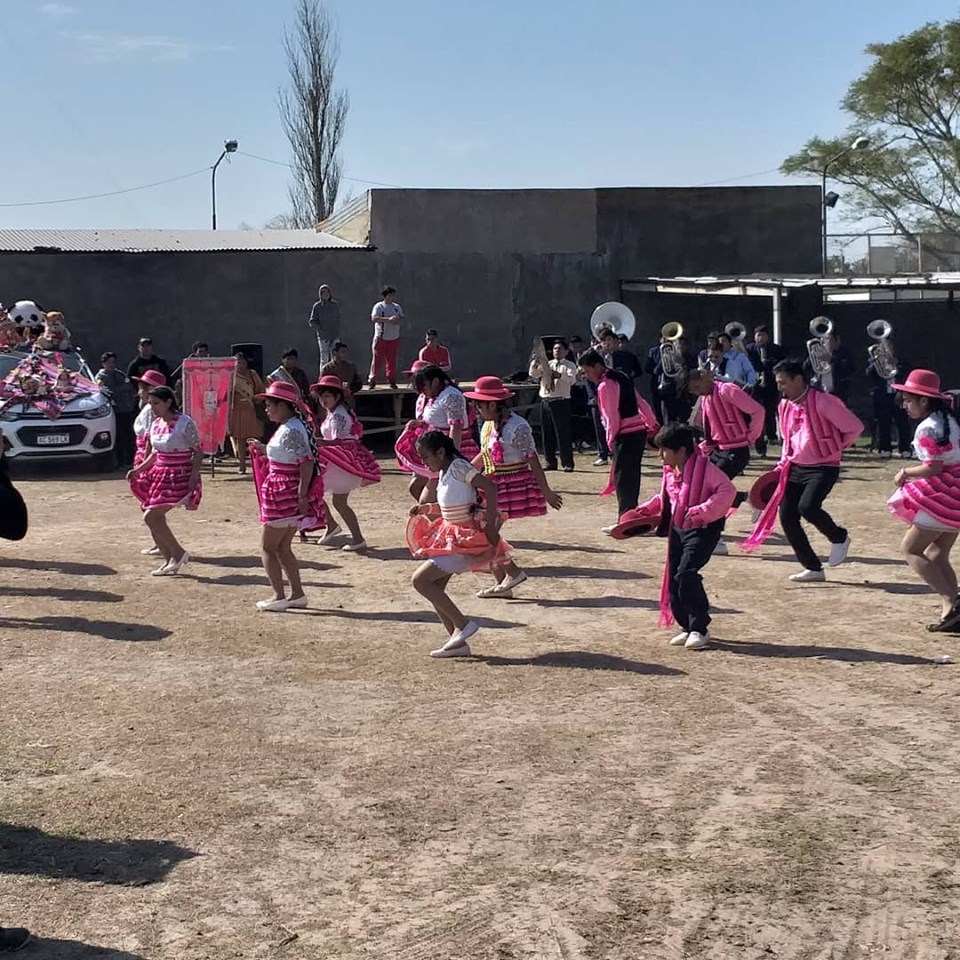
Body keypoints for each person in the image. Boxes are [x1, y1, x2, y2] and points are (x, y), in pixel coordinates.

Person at [741, 359, 863, 582]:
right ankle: (813, 568)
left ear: (799, 379)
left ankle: (839, 537)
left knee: (808, 507)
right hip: (795, 466)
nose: (780, 387)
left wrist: (835, 446)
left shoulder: (825, 402)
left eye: (784, 382)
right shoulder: (784, 405)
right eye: (778, 383)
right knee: (787, 516)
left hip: (824, 467)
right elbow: (787, 439)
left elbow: (854, 428)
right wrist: (781, 465)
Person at [632, 422, 736, 650]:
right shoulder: (670, 471)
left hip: (702, 530)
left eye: (664, 449)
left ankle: (700, 627)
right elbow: (665, 498)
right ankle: (687, 627)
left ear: (681, 450)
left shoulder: (706, 469)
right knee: (673, 579)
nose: (659, 455)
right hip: (678, 530)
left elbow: (727, 490)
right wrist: (643, 510)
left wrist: (703, 511)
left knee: (686, 574)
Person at [408, 430, 509, 658]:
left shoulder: (458, 467)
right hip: (452, 537)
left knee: (420, 581)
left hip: (466, 540)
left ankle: (462, 625)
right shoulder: (445, 471)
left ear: (441, 452)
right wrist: (427, 509)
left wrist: (491, 524)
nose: (424, 462)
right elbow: (452, 507)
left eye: (426, 457)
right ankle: (457, 642)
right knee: (436, 587)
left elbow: (490, 488)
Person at [464, 376, 563, 598]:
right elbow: (485, 454)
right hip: (493, 482)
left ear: (492, 404)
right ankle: (503, 583)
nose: (477, 409)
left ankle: (511, 574)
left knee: (488, 533)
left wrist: (546, 491)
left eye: (479, 404)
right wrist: (465, 473)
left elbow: (533, 459)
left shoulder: (518, 427)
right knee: (487, 533)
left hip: (510, 485)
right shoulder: (489, 425)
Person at [886, 370, 960, 632]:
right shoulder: (949, 419)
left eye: (908, 400)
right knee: (937, 553)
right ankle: (953, 610)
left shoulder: (928, 427)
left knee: (911, 549)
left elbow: (933, 467)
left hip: (945, 494)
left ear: (924, 401)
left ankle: (951, 600)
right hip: (956, 493)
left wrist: (905, 473)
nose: (905, 405)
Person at [247, 381, 326, 611]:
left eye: (269, 404)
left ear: (283, 405)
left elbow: (306, 463)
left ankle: (278, 595)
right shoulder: (292, 427)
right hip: (285, 491)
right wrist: (263, 449)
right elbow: (292, 457)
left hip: (283, 492)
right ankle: (297, 593)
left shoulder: (292, 430)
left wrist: (302, 496)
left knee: (268, 548)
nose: (266, 409)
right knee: (282, 547)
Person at [686, 367, 765, 554]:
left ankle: (716, 537)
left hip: (735, 450)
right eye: (693, 390)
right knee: (703, 487)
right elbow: (712, 429)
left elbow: (757, 411)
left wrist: (751, 436)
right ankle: (748, 499)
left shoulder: (727, 390)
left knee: (712, 491)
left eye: (698, 387)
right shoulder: (706, 399)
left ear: (706, 377)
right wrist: (705, 447)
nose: (698, 392)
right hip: (719, 450)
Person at [126, 386, 202, 576]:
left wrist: (194, 475)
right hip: (160, 475)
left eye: (156, 403)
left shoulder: (185, 422)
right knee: (152, 516)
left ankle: (177, 553)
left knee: (151, 516)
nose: (152, 408)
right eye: (150, 403)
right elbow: (154, 453)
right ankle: (170, 558)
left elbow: (198, 450)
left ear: (168, 402)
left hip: (179, 475)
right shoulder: (156, 423)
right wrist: (138, 470)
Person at [577, 349, 659, 525]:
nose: (587, 375)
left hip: (625, 433)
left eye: (587, 370)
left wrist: (610, 438)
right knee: (632, 476)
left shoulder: (605, 385)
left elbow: (611, 416)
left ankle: (625, 517)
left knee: (623, 478)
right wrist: (652, 423)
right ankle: (631, 514)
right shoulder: (622, 376)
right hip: (638, 431)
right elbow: (640, 402)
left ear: (597, 366)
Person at [311, 374, 382, 551]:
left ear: (337, 397)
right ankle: (335, 527)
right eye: (322, 396)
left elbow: (339, 440)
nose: (323, 400)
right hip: (337, 460)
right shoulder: (335, 413)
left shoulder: (339, 416)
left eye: (327, 396)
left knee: (318, 492)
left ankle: (354, 536)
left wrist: (319, 442)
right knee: (324, 496)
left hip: (341, 462)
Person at [395, 365, 479, 502]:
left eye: (424, 385)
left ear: (434, 382)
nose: (422, 390)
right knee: (416, 488)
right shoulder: (436, 395)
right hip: (437, 450)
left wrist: (452, 458)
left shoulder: (451, 396)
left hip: (449, 451)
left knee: (428, 500)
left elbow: (456, 427)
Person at [129, 369, 167, 555]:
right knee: (147, 502)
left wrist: (144, 464)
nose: (139, 392)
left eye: (142, 388)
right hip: (142, 453)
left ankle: (161, 542)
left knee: (150, 503)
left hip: (147, 455)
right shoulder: (146, 409)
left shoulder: (153, 412)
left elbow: (151, 438)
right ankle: (158, 541)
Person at [529, 338, 577, 472]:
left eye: (560, 349)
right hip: (546, 401)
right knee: (547, 433)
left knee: (563, 434)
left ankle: (567, 462)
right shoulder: (547, 364)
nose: (557, 351)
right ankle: (550, 461)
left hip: (560, 401)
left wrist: (558, 375)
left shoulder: (569, 365)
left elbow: (571, 380)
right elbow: (533, 374)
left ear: (566, 351)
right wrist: (535, 362)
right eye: (555, 349)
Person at [867, 340, 913, 459]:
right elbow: (868, 374)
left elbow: (908, 373)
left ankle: (905, 449)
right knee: (883, 423)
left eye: (888, 347)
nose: (886, 350)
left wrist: (896, 365)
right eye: (883, 347)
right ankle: (885, 448)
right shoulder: (874, 361)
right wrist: (876, 362)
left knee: (902, 423)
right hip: (882, 396)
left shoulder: (900, 360)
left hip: (898, 395)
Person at [746, 325, 785, 456]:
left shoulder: (776, 349)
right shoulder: (749, 349)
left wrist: (766, 363)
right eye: (758, 335)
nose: (760, 338)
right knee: (756, 415)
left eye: (763, 335)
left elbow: (780, 364)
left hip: (771, 385)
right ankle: (759, 443)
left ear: (767, 336)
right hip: (754, 387)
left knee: (770, 411)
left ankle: (772, 436)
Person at [95, 351, 138, 468]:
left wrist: (120, 391)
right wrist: (120, 389)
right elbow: (107, 391)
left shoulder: (120, 374)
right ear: (103, 364)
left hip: (126, 409)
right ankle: (119, 462)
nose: (112, 365)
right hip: (114, 411)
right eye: (109, 362)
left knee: (128, 436)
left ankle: (130, 460)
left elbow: (129, 388)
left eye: (113, 362)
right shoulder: (100, 377)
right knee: (117, 437)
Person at [646, 334, 696, 425]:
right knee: (668, 421)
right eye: (676, 343)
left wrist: (683, 362)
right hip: (669, 392)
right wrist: (665, 358)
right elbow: (656, 371)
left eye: (682, 344)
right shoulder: (667, 356)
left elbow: (693, 371)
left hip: (685, 392)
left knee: (684, 420)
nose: (679, 346)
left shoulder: (690, 357)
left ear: (686, 346)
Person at [229, 352, 265, 474]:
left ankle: (258, 465)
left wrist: (256, 398)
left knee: (254, 438)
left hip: (251, 409)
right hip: (237, 410)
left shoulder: (252, 374)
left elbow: (261, 390)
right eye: (238, 362)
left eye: (243, 362)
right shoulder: (231, 376)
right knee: (240, 438)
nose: (240, 365)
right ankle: (242, 465)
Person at [807, 326, 855, 404]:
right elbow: (805, 368)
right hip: (818, 392)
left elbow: (850, 369)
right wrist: (811, 357)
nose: (824, 341)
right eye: (822, 338)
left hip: (838, 393)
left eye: (828, 338)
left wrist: (831, 360)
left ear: (836, 341)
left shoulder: (843, 353)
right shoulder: (817, 353)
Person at [368, 285, 402, 389]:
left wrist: (397, 319)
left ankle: (391, 380)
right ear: (385, 296)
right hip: (381, 338)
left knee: (392, 361)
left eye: (393, 295)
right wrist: (388, 320)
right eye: (390, 295)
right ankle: (372, 380)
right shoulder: (379, 306)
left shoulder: (397, 307)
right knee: (377, 360)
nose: (392, 297)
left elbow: (401, 317)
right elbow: (374, 318)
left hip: (393, 338)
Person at [320, 341, 364, 405]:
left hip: (348, 400)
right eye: (342, 352)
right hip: (332, 401)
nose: (345, 354)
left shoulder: (351, 367)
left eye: (346, 352)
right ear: (335, 353)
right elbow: (322, 386)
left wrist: (350, 388)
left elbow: (358, 383)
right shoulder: (327, 369)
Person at [309, 284, 340, 370]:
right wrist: (321, 330)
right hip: (323, 337)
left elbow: (338, 319)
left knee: (336, 357)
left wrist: (336, 330)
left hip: (334, 335)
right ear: (320, 294)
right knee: (324, 359)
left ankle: (335, 377)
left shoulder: (335, 305)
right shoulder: (317, 306)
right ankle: (323, 378)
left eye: (327, 292)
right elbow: (312, 321)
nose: (326, 294)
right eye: (323, 293)